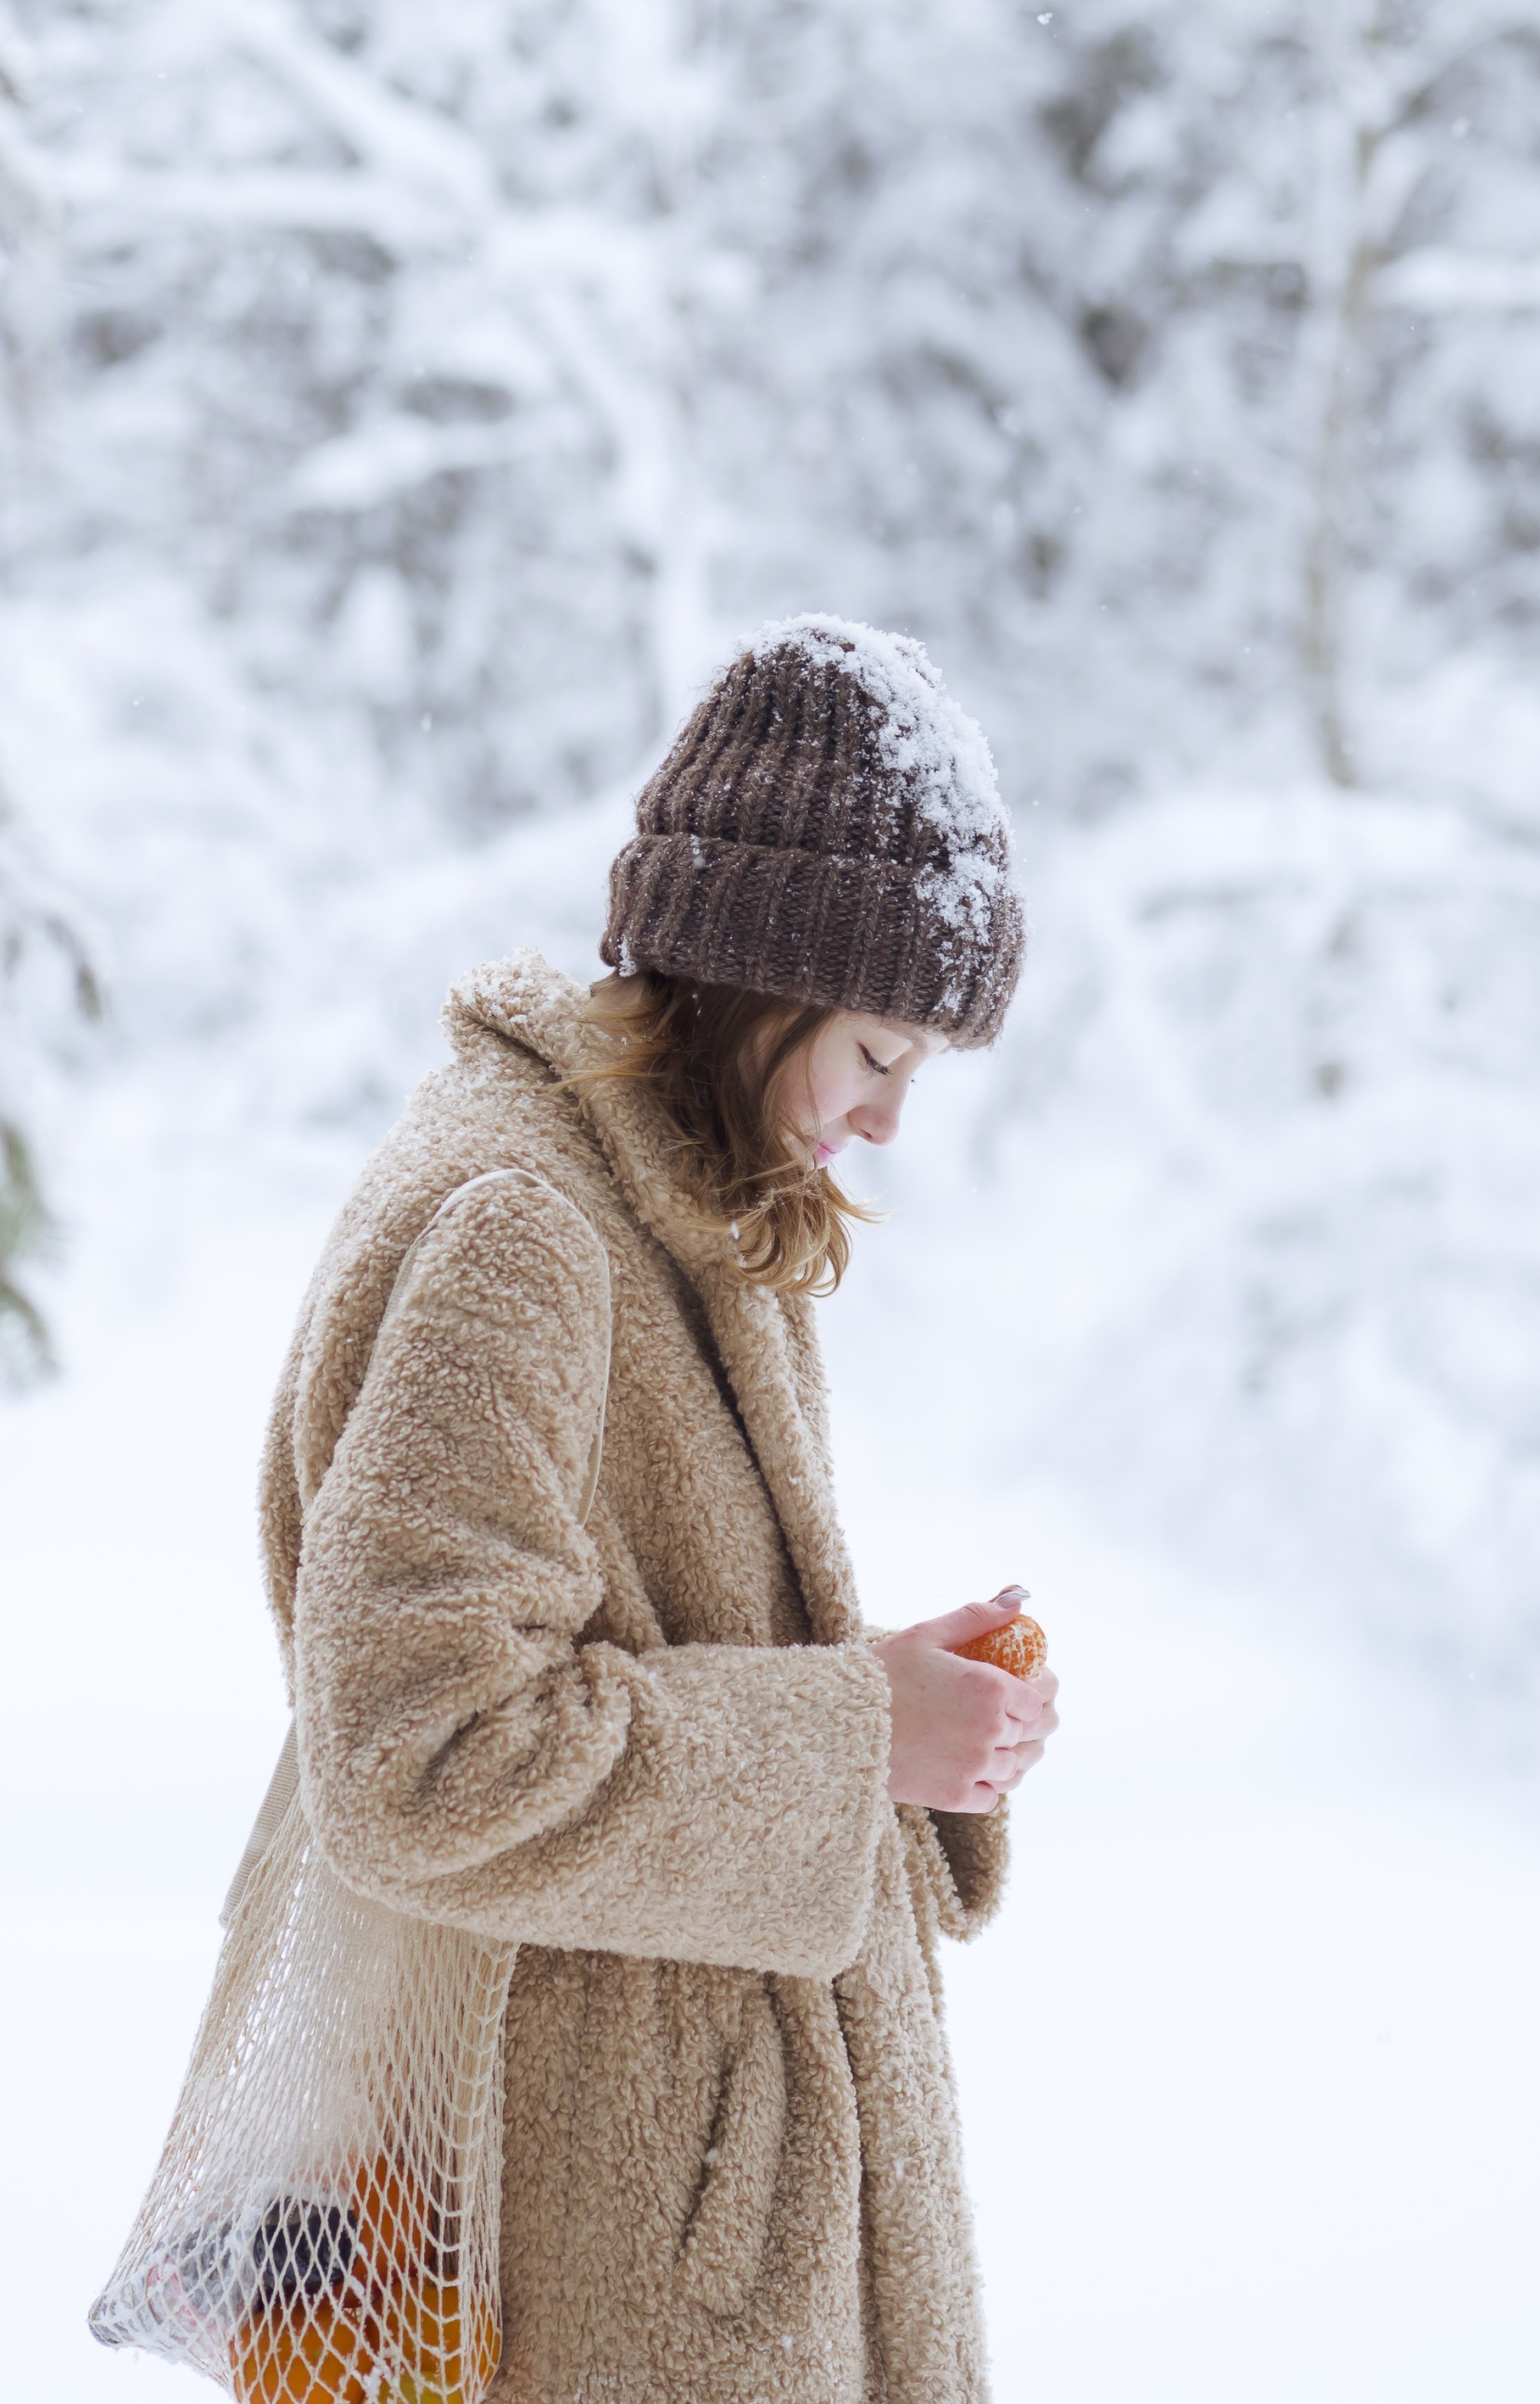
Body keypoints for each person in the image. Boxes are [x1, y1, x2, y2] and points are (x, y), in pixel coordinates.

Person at [259, 613, 1059, 2404]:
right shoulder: (522, 1232)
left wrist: (885, 1699)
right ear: (756, 973)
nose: (888, 1117)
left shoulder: (675, 1206)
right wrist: (853, 1735)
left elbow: (625, 1646)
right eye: (873, 1049)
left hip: (697, 2202)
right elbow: (418, 1749)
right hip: (606, 2246)